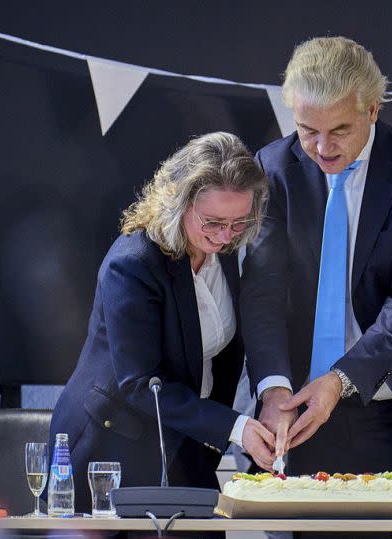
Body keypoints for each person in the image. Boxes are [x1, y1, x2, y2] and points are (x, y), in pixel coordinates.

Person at [240, 36, 392, 500]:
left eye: (340, 130)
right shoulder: (272, 168)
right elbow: (261, 293)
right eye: (307, 129)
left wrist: (342, 379)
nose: (322, 147)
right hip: (300, 408)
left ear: (373, 110)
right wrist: (273, 390)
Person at [50, 131, 276, 514]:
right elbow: (140, 384)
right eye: (213, 222)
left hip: (187, 438)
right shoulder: (133, 265)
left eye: (240, 222)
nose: (226, 236)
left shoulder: (227, 250)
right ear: (179, 202)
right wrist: (236, 428)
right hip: (112, 449)